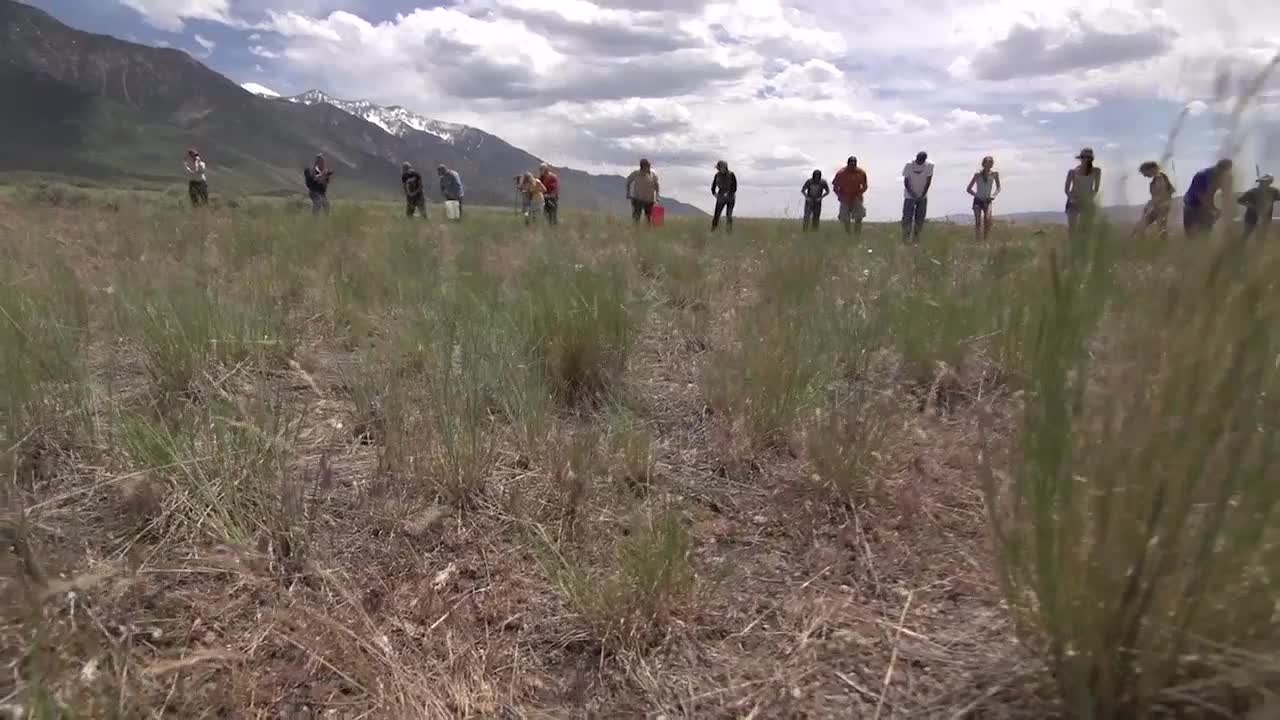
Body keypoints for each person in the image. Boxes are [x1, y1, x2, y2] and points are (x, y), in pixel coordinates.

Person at [1183, 159, 1233, 237]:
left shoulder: (1226, 177)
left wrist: (1226, 215)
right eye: (1221, 172)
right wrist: (1214, 210)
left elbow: (1227, 196)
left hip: (1207, 207)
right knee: (1192, 236)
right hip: (1192, 205)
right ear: (1217, 169)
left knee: (1205, 235)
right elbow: (1201, 197)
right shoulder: (1201, 175)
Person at [1063, 147, 1102, 236]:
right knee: (1072, 228)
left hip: (1087, 201)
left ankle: (1082, 247)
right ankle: (1073, 247)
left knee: (1085, 229)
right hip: (1073, 201)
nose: (1086, 159)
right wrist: (1071, 198)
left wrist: (1090, 198)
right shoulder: (1072, 172)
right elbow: (1066, 189)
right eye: (1084, 157)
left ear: (1091, 159)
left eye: (1088, 157)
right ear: (1081, 158)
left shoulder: (1097, 171)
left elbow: (1096, 189)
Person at [1134, 160, 1175, 239]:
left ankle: (1160, 246)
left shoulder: (1160, 178)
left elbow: (1162, 194)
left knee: (1160, 228)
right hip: (1159, 207)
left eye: (1144, 172)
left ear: (1151, 169)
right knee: (1148, 226)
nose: (1144, 175)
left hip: (1161, 207)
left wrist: (1151, 206)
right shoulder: (1159, 178)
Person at [965, 156, 1001, 242]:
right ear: (983, 164)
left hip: (988, 200)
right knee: (978, 222)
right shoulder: (978, 174)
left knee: (987, 220)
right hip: (978, 200)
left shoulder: (994, 174)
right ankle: (978, 241)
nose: (989, 164)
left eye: (991, 162)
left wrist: (994, 195)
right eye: (987, 162)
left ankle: (985, 241)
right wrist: (976, 195)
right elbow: (968, 189)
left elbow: (998, 187)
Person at [832, 156, 868, 239]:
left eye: (854, 163)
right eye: (851, 163)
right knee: (845, 218)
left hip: (856, 197)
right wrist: (840, 196)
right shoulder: (841, 173)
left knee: (859, 217)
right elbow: (835, 187)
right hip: (845, 197)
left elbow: (865, 185)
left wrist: (859, 193)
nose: (852, 165)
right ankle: (849, 235)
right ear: (847, 163)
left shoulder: (861, 172)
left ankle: (857, 235)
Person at [902, 151, 934, 244]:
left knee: (920, 218)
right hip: (909, 196)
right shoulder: (909, 165)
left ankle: (916, 240)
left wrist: (922, 194)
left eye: (921, 160)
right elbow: (906, 181)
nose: (919, 162)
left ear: (924, 160)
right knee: (907, 217)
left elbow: (928, 181)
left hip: (922, 197)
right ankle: (905, 239)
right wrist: (912, 194)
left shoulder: (929, 166)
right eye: (918, 159)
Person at [1237, 174, 1278, 239]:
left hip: (1265, 218)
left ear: (1270, 182)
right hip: (1251, 217)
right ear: (1260, 182)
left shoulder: (1274, 191)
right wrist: (1250, 205)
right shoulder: (1253, 191)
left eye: (1267, 182)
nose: (1265, 183)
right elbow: (1239, 200)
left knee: (1262, 237)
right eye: (1263, 182)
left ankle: (1259, 248)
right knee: (1245, 235)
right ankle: (1238, 248)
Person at [626, 158, 660, 225]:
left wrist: (657, 196)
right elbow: (628, 182)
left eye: (649, 166)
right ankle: (636, 231)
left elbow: (656, 185)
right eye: (647, 166)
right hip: (638, 199)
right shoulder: (636, 173)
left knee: (649, 218)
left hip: (649, 200)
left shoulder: (653, 174)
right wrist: (628, 193)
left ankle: (648, 231)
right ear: (643, 167)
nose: (649, 168)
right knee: (636, 217)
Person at [711, 160, 737, 232]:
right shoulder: (717, 175)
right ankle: (713, 231)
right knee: (717, 215)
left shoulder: (731, 174)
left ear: (725, 167)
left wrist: (729, 193)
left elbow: (734, 187)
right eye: (718, 168)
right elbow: (713, 187)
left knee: (729, 216)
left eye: (720, 167)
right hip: (721, 197)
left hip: (730, 198)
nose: (719, 169)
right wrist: (714, 193)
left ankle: (729, 232)